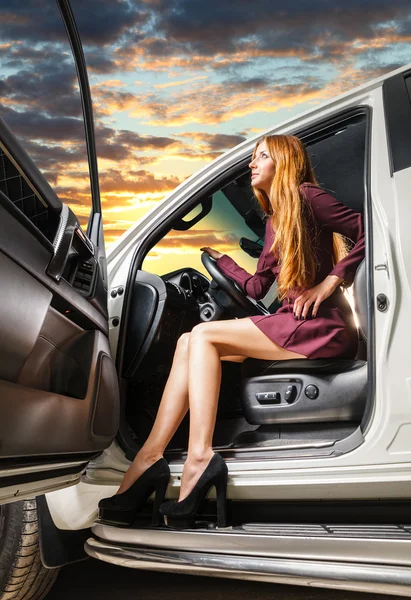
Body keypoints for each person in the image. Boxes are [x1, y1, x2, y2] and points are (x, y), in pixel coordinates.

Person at [98, 134, 365, 530]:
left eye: (261, 157)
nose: (251, 164)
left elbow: (367, 226)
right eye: (253, 158)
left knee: (204, 335)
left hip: (321, 325)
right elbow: (257, 287)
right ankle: (149, 458)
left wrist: (330, 282)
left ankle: (199, 458)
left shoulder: (308, 196)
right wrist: (221, 261)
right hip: (295, 321)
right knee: (190, 340)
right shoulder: (277, 218)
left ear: (284, 162)